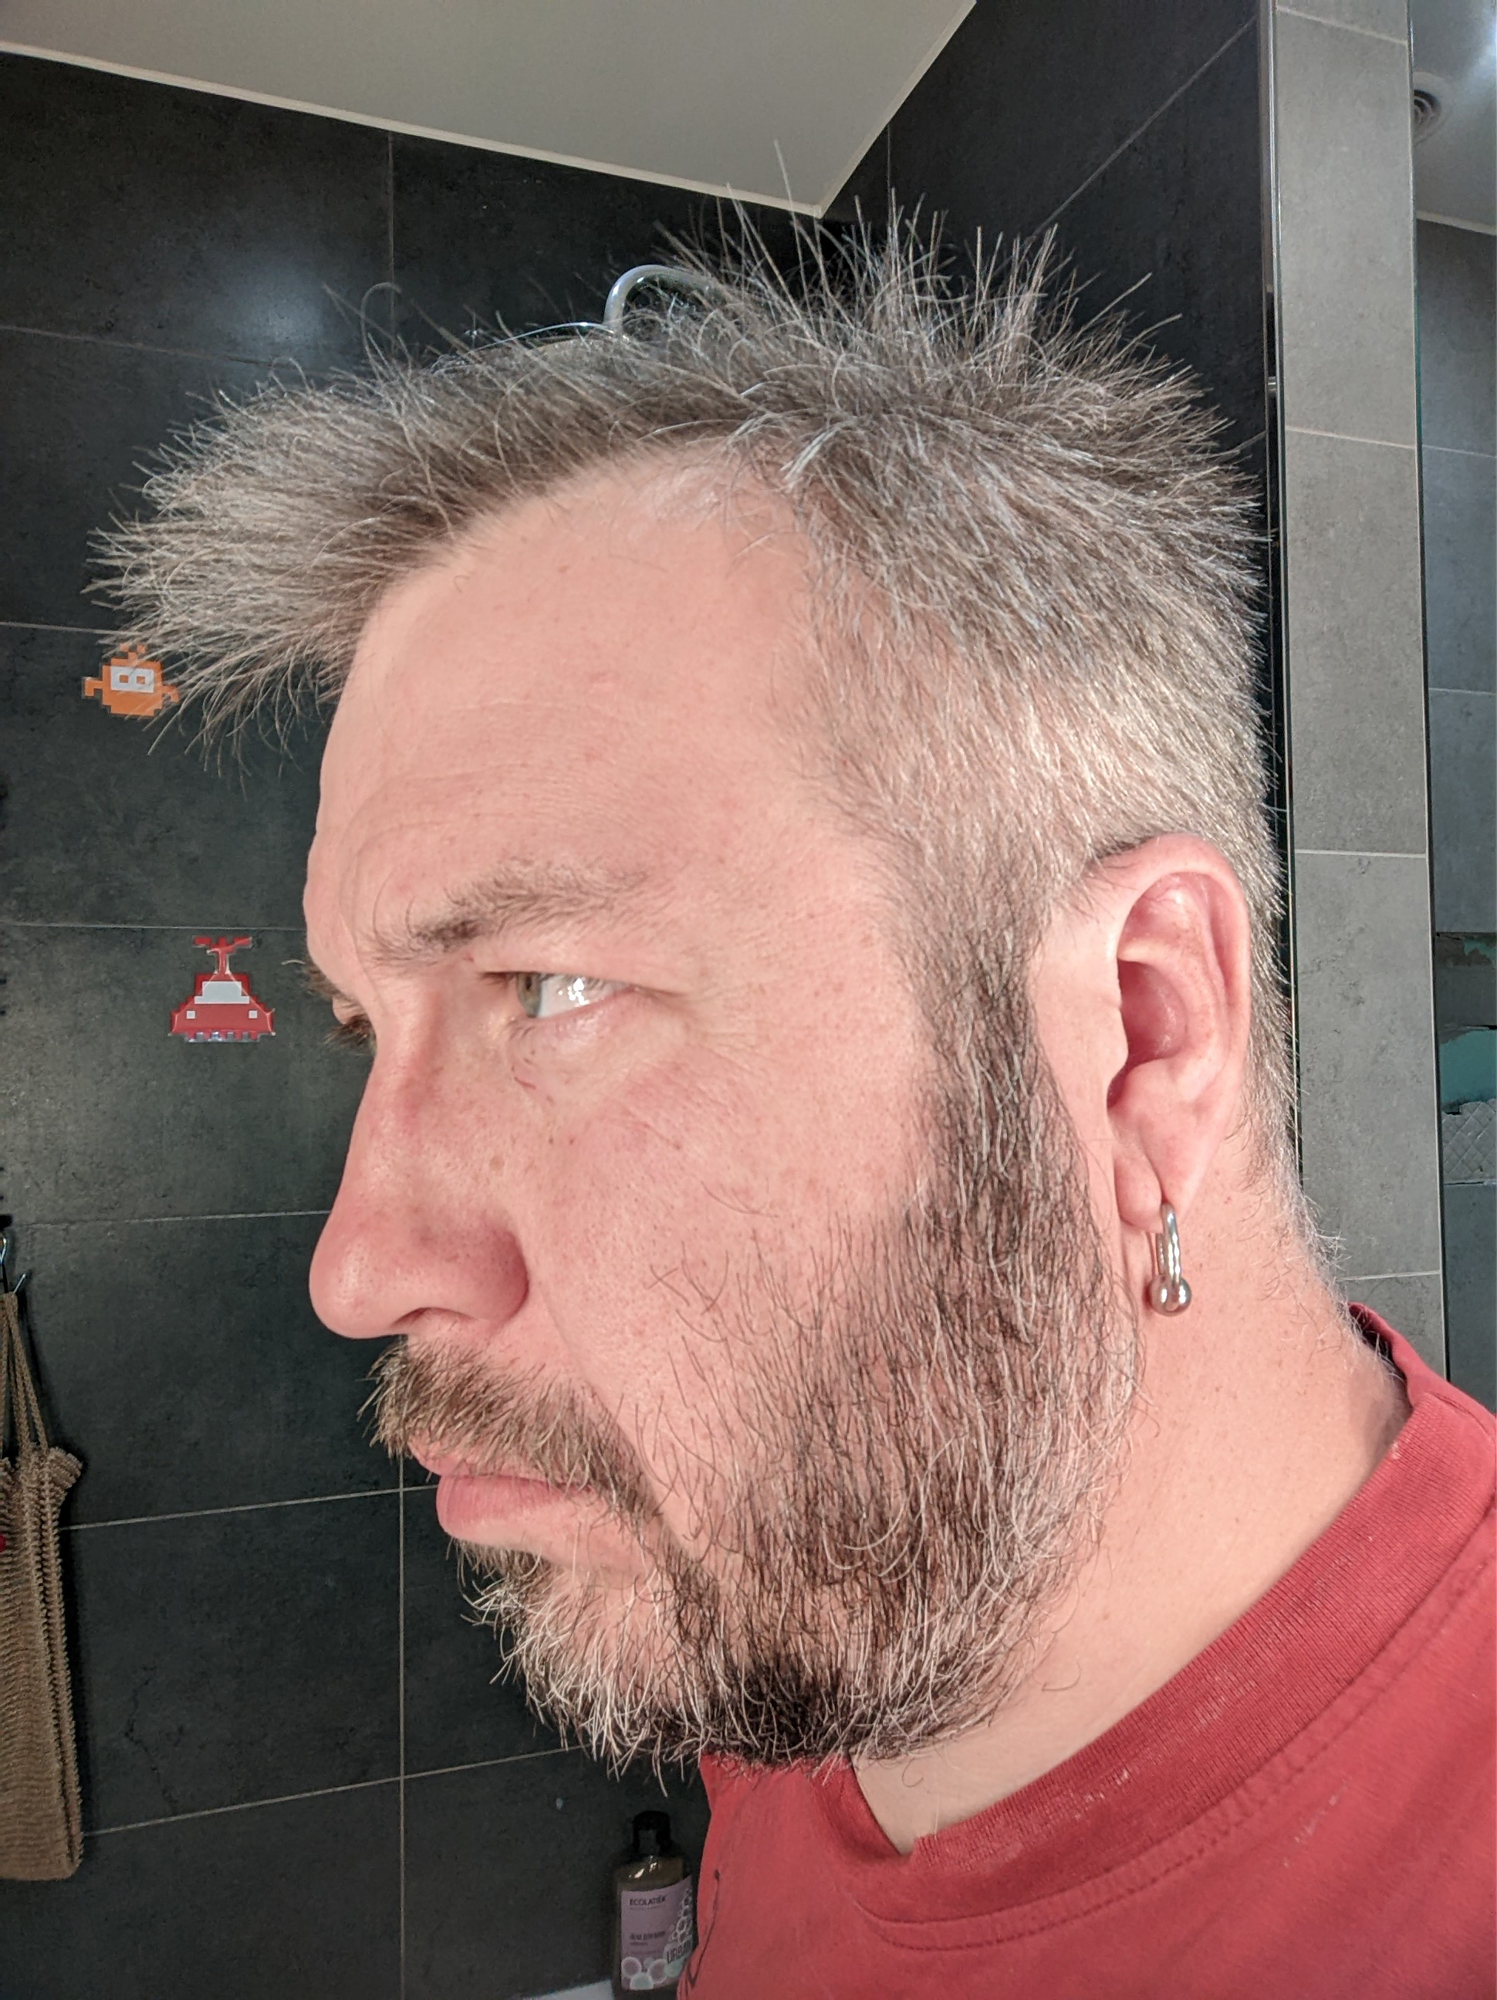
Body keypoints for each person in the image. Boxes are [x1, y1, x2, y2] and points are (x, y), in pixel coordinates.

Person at [98, 228, 1494, 1997]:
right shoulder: (825, 1611)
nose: (360, 1270)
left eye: (552, 985)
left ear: (1145, 1032)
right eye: (368, 1027)